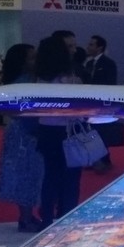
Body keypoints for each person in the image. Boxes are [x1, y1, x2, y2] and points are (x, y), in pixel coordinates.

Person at [33, 35, 83, 226]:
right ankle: (66, 219)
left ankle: (47, 218)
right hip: (68, 131)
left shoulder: (39, 78)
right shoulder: (71, 79)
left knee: (50, 176)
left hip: (46, 130)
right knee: (70, 179)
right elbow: (78, 109)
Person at [0, 43, 44, 232]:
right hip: (25, 134)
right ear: (22, 62)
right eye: (32, 57)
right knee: (26, 174)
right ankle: (25, 218)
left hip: (22, 132)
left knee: (28, 174)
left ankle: (27, 215)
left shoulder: (24, 80)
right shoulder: (22, 83)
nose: (36, 61)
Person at [81, 34, 123, 172]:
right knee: (90, 132)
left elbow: (110, 84)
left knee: (102, 132)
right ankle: (94, 159)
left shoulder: (108, 63)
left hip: (102, 104)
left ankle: (104, 160)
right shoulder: (88, 64)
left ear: (100, 47)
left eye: (91, 44)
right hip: (88, 103)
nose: (88, 47)